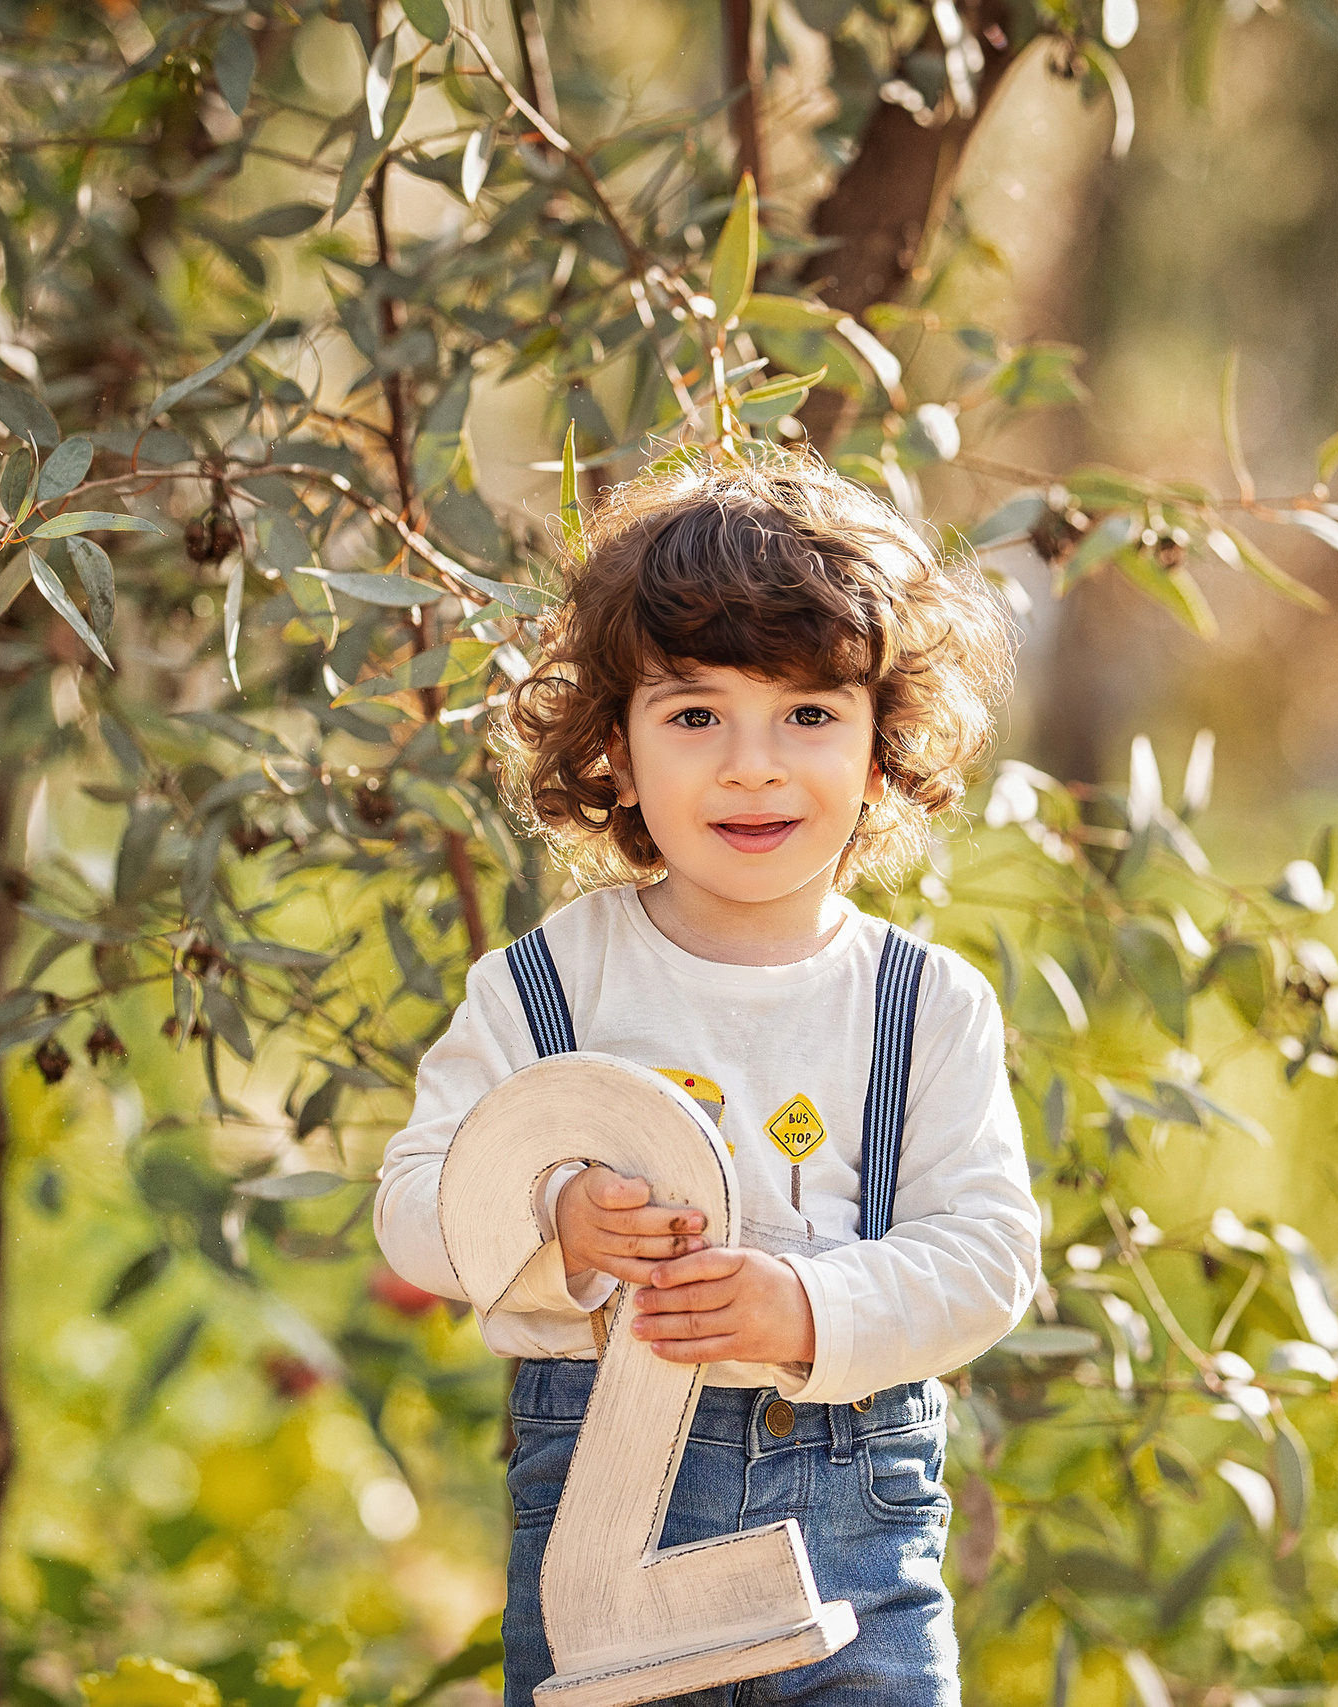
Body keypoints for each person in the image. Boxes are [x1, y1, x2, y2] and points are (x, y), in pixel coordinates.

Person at [373, 451, 1042, 1706]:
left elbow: (986, 1253)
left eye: (809, 715)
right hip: (604, 1525)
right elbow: (413, 1202)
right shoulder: (546, 986)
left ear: (882, 751)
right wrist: (553, 1216)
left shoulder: (921, 1007)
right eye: (694, 717)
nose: (752, 765)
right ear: (616, 753)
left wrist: (808, 1307)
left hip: (853, 1541)